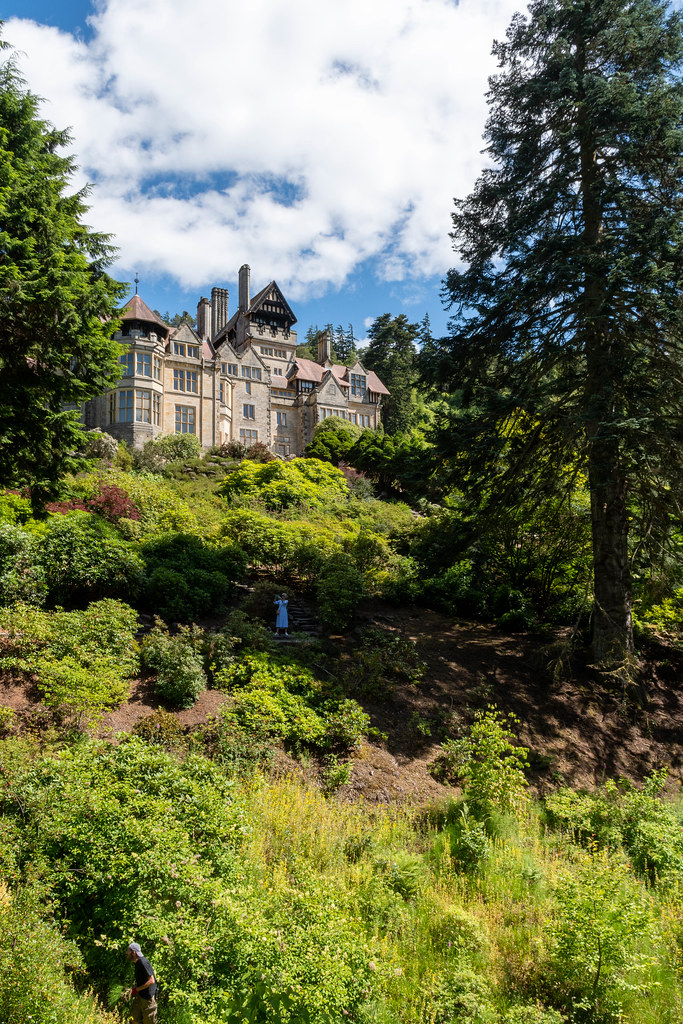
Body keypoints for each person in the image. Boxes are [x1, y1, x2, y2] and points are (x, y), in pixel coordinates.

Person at [126, 941, 158, 1024]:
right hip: (140, 996)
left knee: (149, 1022)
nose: (126, 953)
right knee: (134, 1019)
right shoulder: (137, 963)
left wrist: (136, 989)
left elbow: (151, 981)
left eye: (128, 951)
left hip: (148, 998)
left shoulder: (143, 962)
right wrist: (134, 989)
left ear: (133, 953)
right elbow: (143, 980)